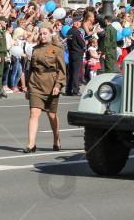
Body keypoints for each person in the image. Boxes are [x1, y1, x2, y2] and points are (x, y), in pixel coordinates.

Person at [22, 22, 66, 153]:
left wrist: (58, 85)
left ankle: (56, 139)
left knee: (51, 115)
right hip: (36, 83)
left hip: (51, 83)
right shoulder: (35, 49)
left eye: (45, 33)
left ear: (51, 34)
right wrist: (28, 88)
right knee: (34, 113)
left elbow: (62, 70)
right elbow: (31, 69)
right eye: (40, 34)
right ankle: (31, 144)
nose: (42, 36)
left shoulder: (57, 49)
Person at [65, 15, 86, 96]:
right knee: (77, 72)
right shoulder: (77, 32)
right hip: (77, 53)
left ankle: (68, 89)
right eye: (79, 22)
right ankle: (75, 90)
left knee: (71, 71)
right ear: (76, 23)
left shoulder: (69, 31)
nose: (80, 23)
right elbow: (82, 42)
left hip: (71, 53)